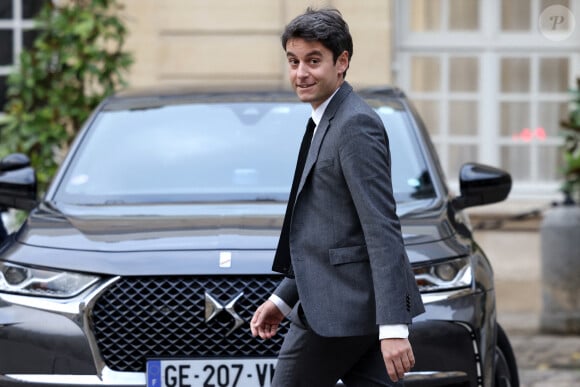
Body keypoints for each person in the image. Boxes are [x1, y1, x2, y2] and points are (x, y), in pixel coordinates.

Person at [250, 7, 425, 387]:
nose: (301, 73)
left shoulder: (354, 125)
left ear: (341, 61)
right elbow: (328, 231)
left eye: (314, 61)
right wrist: (282, 299)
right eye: (293, 61)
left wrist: (394, 327)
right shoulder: (325, 119)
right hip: (351, 310)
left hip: (340, 311)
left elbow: (380, 227)